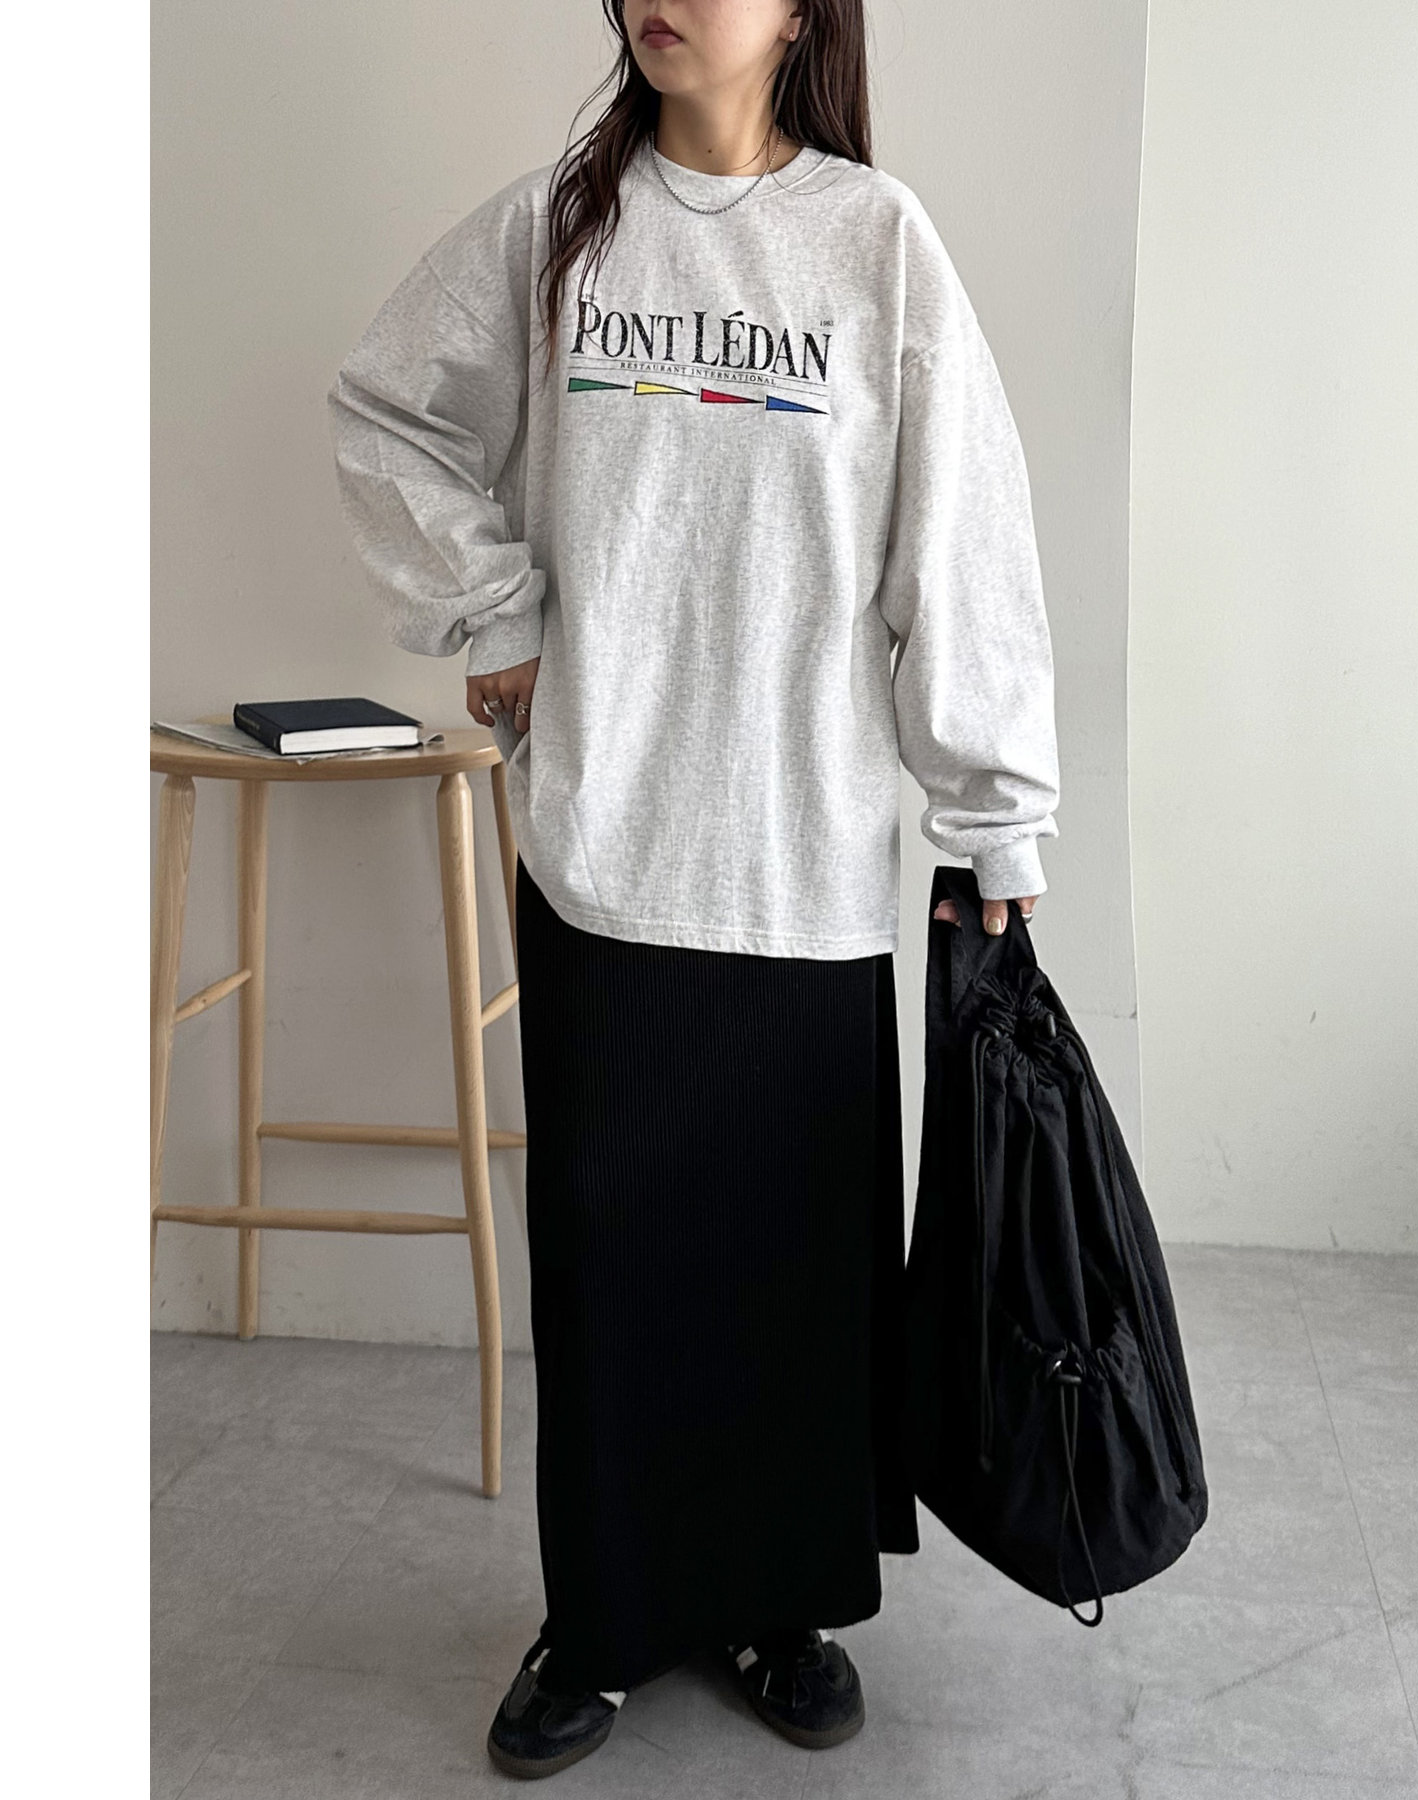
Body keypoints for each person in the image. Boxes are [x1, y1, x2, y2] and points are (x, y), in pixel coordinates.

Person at [328, 0, 1059, 1780]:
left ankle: (781, 1605)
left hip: (804, 858)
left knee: (795, 1271)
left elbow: (960, 536)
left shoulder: (875, 243)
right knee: (611, 1265)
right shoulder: (552, 232)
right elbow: (385, 412)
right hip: (606, 846)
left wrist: (996, 819)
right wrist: (494, 608)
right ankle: (600, 1619)